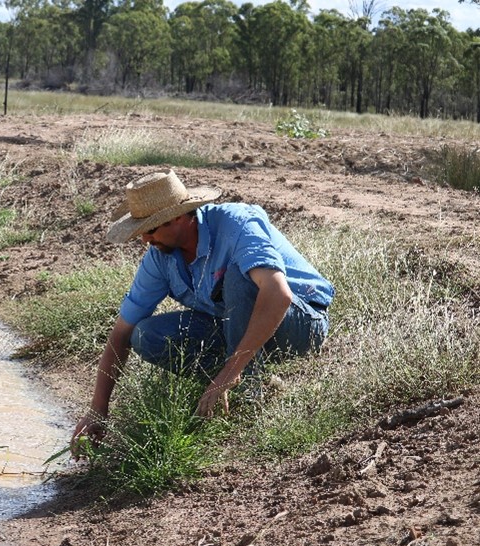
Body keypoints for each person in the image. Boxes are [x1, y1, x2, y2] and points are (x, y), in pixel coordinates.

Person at [72, 169, 334, 447]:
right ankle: (252, 378)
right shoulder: (159, 257)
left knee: (239, 278)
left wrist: (228, 374)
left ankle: (246, 393)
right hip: (233, 325)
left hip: (300, 321)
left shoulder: (237, 222)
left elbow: (277, 294)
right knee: (145, 335)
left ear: (178, 218)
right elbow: (121, 333)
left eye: (150, 230)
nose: (145, 241)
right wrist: (98, 409)